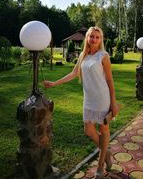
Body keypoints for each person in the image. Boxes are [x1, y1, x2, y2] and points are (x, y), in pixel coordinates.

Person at [44, 26, 119, 178]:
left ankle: (100, 165)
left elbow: (110, 80)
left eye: (97, 37)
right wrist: (54, 83)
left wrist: (113, 102)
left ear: (101, 39)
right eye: (91, 36)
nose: (94, 39)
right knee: (89, 131)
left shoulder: (103, 56)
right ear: (87, 38)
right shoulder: (83, 55)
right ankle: (107, 153)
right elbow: (74, 73)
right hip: (89, 99)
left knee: (104, 131)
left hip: (102, 99)